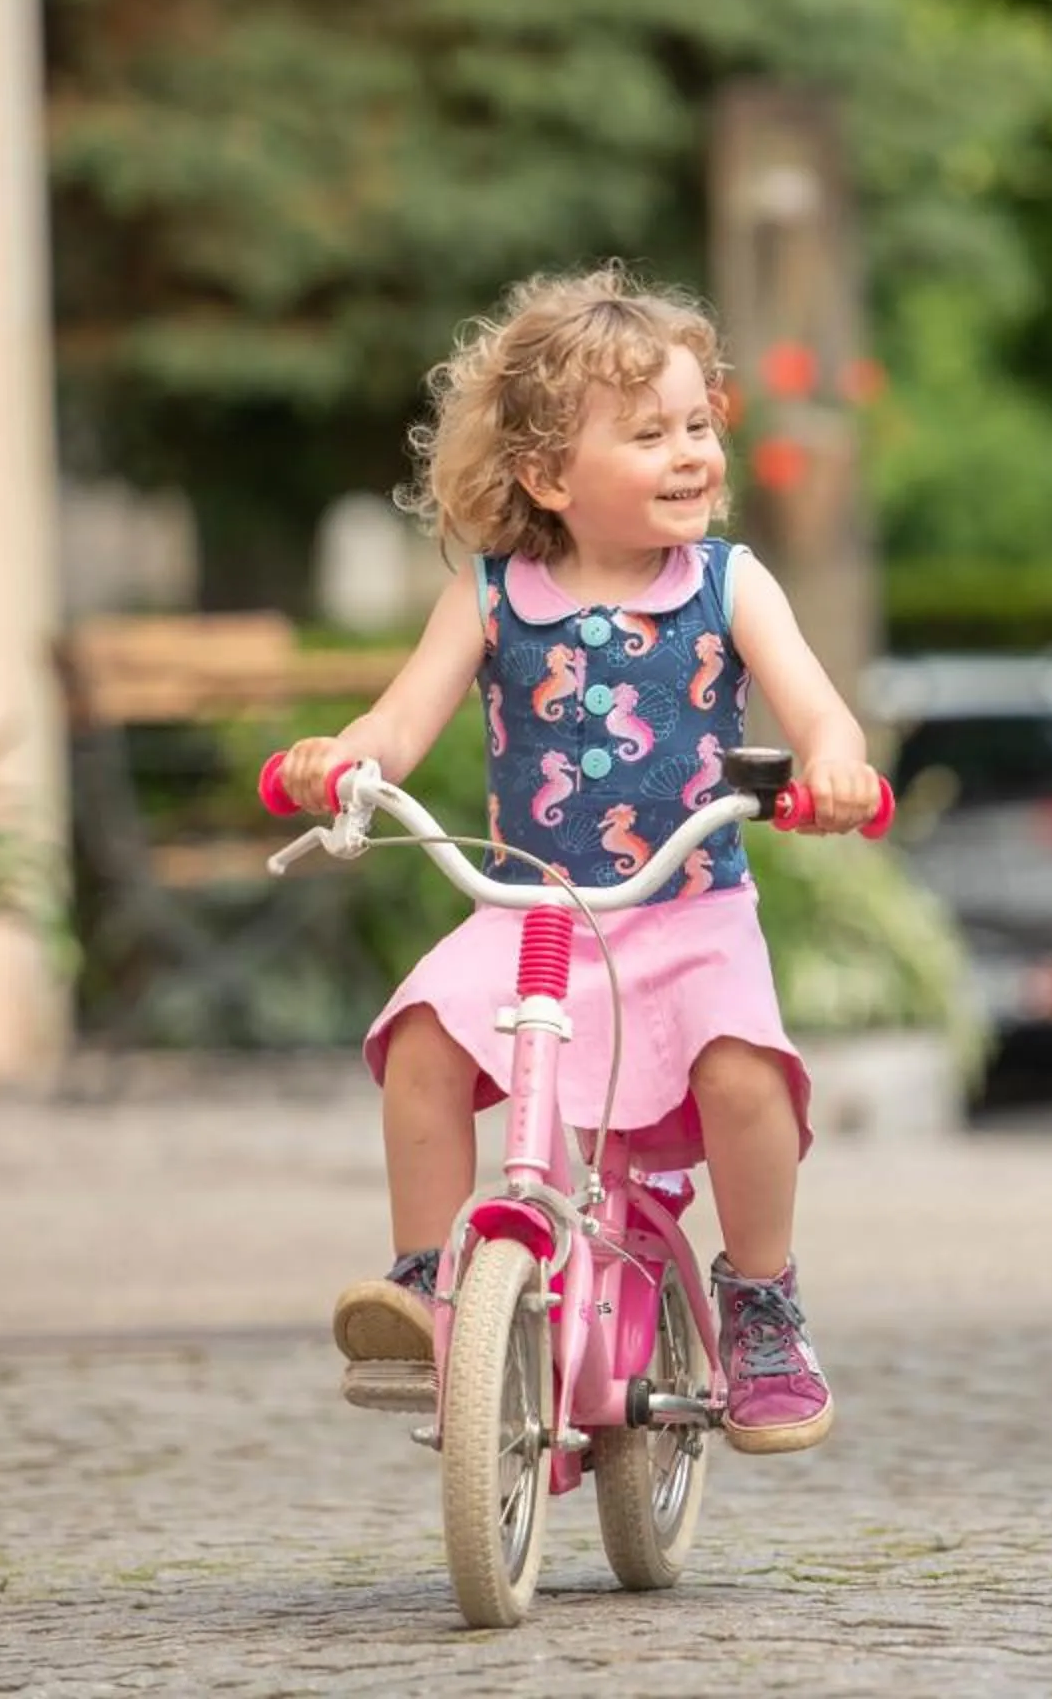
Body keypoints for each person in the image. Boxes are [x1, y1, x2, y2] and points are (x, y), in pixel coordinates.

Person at [271, 263, 883, 1456]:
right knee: (422, 1039)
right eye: (649, 434)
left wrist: (836, 767)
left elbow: (824, 714)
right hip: (536, 914)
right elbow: (399, 721)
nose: (689, 453)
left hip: (691, 910)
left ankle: (763, 1299)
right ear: (550, 476)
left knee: (747, 1075)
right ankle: (428, 1285)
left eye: (698, 424)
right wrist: (345, 760)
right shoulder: (492, 597)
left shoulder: (728, 583)